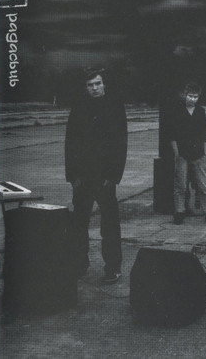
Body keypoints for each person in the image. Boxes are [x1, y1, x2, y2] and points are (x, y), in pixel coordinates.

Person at [65, 68, 127, 285]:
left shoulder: (115, 107)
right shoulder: (79, 107)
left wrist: (113, 176)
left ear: (104, 84)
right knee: (79, 224)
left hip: (105, 179)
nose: (94, 88)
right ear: (86, 88)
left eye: (97, 83)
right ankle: (79, 264)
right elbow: (70, 142)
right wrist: (72, 175)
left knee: (109, 226)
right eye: (90, 85)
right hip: (81, 178)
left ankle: (113, 268)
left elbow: (121, 144)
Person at [165, 82, 206, 225]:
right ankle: (179, 211)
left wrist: (205, 154)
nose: (193, 99)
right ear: (184, 95)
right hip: (182, 153)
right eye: (190, 96)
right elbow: (172, 134)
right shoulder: (176, 111)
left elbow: (204, 135)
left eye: (195, 97)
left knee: (203, 184)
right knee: (181, 184)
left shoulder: (200, 111)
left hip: (198, 153)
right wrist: (177, 153)